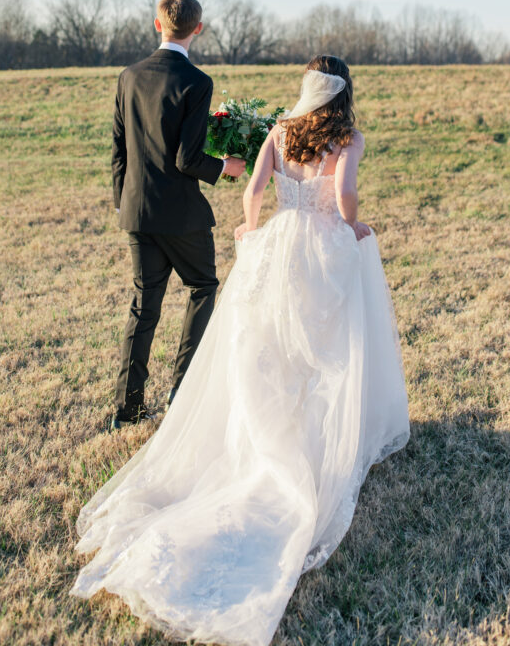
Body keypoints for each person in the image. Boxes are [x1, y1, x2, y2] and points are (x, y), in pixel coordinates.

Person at [72, 54, 410, 646]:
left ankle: (270, 434)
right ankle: (312, 439)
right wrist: (352, 228)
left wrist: (252, 230)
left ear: (306, 88)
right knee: (326, 354)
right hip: (325, 249)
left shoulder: (280, 131)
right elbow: (346, 192)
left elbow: (254, 191)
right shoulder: (348, 136)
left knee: (271, 350)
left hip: (279, 247)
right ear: (344, 92)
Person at [109, 0, 245, 430]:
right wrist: (227, 166)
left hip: (136, 211)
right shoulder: (197, 82)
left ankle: (127, 410)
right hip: (182, 216)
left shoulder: (128, 76)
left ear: (157, 24)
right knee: (204, 286)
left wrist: (123, 205)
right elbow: (188, 159)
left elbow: (117, 152)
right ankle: (181, 391)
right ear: (198, 30)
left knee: (143, 307)